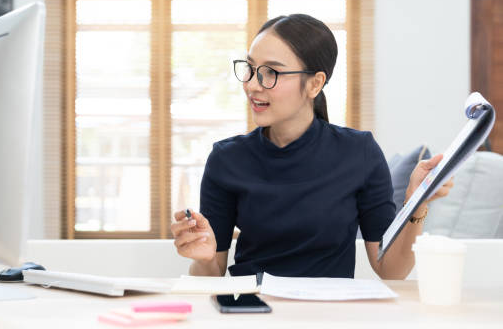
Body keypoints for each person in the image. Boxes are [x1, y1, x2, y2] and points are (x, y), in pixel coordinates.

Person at [170, 14, 453, 279]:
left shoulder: (360, 153)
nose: (252, 85)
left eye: (270, 72)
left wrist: (417, 203)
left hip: (328, 314)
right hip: (253, 309)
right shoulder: (226, 159)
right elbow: (213, 271)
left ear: (315, 84)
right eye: (251, 69)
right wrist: (205, 258)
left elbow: (391, 270)